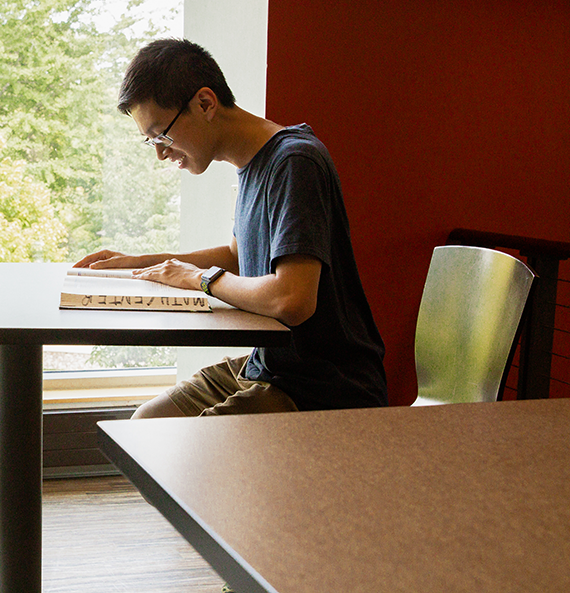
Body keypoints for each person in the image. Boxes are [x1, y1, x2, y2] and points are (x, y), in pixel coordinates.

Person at [76, 38, 387, 418]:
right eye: (151, 141)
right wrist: (142, 263)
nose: (160, 152)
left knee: (178, 443)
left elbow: (292, 300)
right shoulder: (253, 166)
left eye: (162, 134)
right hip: (271, 366)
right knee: (148, 423)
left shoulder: (295, 162)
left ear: (205, 103)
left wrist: (200, 279)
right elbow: (240, 257)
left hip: (323, 385)